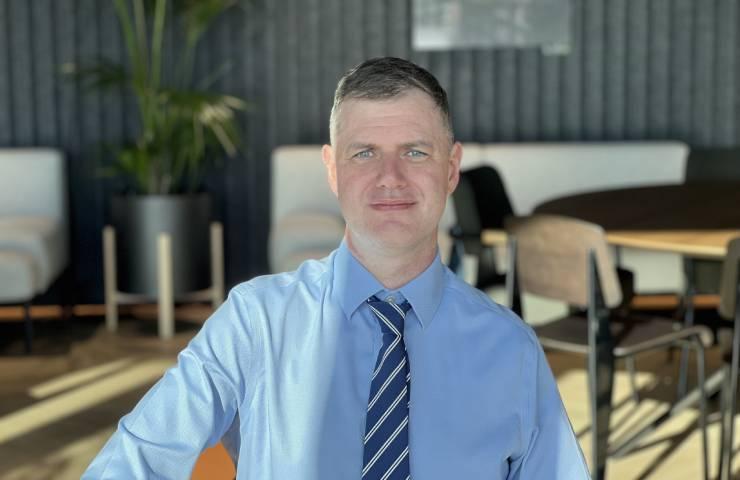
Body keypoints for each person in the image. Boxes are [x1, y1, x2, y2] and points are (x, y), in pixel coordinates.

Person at [84, 57, 589, 479]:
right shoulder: (255, 322)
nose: (390, 178)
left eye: (415, 152)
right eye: (364, 152)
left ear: (451, 168)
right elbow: (135, 459)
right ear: (332, 169)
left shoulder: (511, 348)